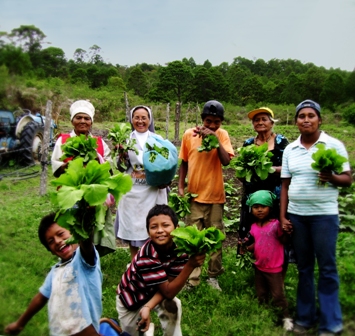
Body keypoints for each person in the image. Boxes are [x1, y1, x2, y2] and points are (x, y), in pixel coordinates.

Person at [280, 99, 352, 335]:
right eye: (302, 116)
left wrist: (330, 177)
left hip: (324, 217)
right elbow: (285, 186)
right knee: (304, 268)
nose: (306, 120)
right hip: (298, 217)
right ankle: (305, 317)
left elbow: (347, 179)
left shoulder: (333, 145)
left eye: (311, 115)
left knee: (328, 267)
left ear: (320, 119)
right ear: (296, 121)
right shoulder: (290, 149)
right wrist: (283, 217)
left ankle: (331, 323)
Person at [5, 213, 102, 336]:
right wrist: (19, 324)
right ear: (50, 250)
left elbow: (86, 240)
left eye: (61, 234)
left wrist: (86, 216)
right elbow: (40, 298)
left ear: (73, 232)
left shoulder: (83, 260)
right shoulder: (55, 272)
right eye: (50, 241)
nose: (57, 241)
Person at [116, 204, 206, 336]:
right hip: (132, 298)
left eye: (165, 225)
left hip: (157, 290)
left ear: (177, 228)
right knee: (132, 333)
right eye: (154, 227)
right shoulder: (147, 256)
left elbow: (170, 286)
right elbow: (168, 292)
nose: (160, 230)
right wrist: (190, 266)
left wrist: (148, 307)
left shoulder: (181, 250)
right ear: (148, 232)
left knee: (173, 305)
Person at [178, 100, 234, 291]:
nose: (212, 125)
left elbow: (226, 161)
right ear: (202, 119)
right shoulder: (189, 135)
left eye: (216, 122)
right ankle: (192, 279)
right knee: (193, 239)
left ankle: (213, 276)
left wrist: (215, 138)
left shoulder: (223, 135)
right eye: (209, 121)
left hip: (216, 197)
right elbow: (184, 162)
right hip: (194, 196)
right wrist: (180, 187)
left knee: (216, 238)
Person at [51, 100, 116, 257]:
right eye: (78, 117)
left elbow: (109, 169)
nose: (82, 121)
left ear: (91, 122)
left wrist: (95, 162)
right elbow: (56, 168)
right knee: (71, 231)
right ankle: (71, 263)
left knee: (91, 232)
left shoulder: (99, 143)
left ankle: (90, 263)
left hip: (94, 198)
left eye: (86, 118)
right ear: (72, 120)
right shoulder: (63, 140)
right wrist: (75, 164)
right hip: (70, 197)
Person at [115, 105, 169, 261]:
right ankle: (135, 262)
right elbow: (121, 167)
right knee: (132, 225)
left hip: (152, 191)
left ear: (149, 120)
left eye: (143, 117)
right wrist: (121, 156)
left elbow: (165, 164)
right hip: (132, 190)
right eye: (136, 117)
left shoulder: (157, 140)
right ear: (131, 120)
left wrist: (163, 179)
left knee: (154, 224)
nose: (140, 121)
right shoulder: (125, 140)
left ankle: (153, 260)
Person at [238, 190, 293, 331]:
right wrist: (246, 248)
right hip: (259, 267)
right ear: (251, 209)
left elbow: (284, 240)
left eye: (263, 206)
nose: (260, 210)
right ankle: (265, 315)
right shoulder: (254, 227)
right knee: (261, 294)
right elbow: (256, 244)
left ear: (270, 208)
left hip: (274, 268)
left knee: (278, 295)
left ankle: (285, 318)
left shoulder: (275, 225)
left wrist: (287, 232)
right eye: (256, 207)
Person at [238, 107, 289, 241]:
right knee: (251, 233)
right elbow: (241, 170)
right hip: (252, 194)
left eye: (264, 119)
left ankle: (273, 260)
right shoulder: (248, 143)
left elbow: (289, 168)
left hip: (274, 196)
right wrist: (243, 173)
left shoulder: (281, 141)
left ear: (271, 123)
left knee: (273, 232)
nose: (260, 122)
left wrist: (270, 169)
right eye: (256, 120)